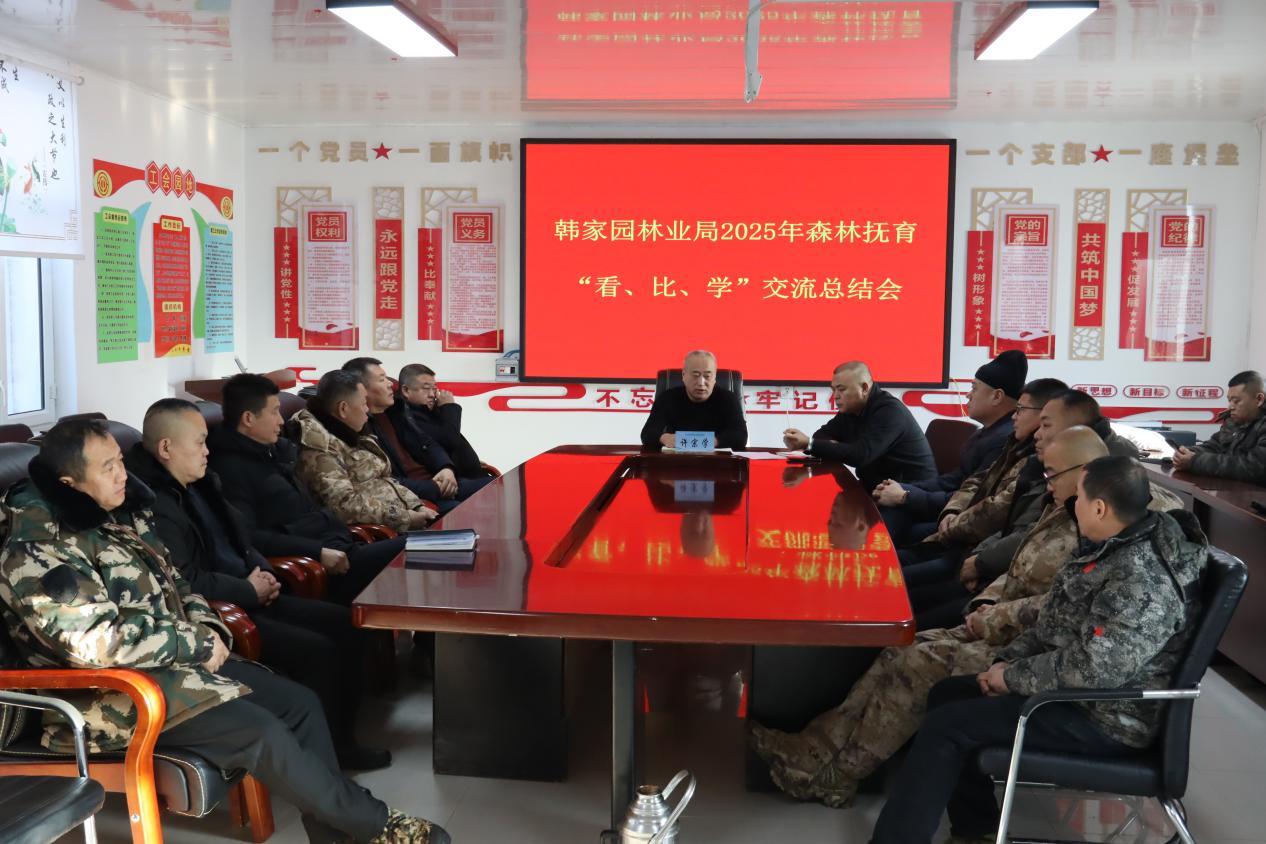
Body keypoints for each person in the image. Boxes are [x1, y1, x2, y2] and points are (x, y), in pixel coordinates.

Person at [0, 418, 448, 844]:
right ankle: (376, 824)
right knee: (259, 730)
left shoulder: (115, 515)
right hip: (107, 697)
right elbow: (94, 642)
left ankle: (335, 834)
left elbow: (178, 584)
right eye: (108, 468)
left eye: (120, 460)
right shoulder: (38, 547)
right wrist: (196, 644)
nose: (123, 475)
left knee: (300, 704)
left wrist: (208, 628)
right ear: (69, 483)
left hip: (172, 669)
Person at [752, 429, 1185, 809]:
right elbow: (1024, 571)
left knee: (917, 664)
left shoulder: (1113, 538)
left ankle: (840, 773)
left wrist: (1003, 644)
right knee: (902, 649)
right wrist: (989, 604)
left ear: (1086, 476)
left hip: (1055, 671)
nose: (1045, 480)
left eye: (1052, 472)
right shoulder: (1073, 511)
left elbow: (1072, 629)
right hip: (1021, 634)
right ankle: (816, 748)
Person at [868, 456, 1207, 843]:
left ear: (1099, 508)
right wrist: (1005, 663)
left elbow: (1096, 669)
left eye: (1079, 497)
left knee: (950, 725)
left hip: (1108, 716)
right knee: (947, 694)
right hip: (1077, 694)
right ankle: (976, 828)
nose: (1070, 505)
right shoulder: (1112, 546)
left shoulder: (1142, 576)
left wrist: (1012, 678)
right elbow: (1055, 623)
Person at [126, 399, 390, 770]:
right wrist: (249, 589)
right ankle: (321, 756)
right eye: (199, 442)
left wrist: (263, 571)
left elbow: (242, 538)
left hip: (251, 593)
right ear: (166, 448)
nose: (207, 451)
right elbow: (185, 581)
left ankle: (342, 739)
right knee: (318, 651)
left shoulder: (201, 482)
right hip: (222, 614)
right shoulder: (154, 505)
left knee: (349, 625)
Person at [208, 373, 407, 606]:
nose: (281, 421)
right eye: (274, 412)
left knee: (427, 547)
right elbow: (249, 536)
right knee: (417, 548)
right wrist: (318, 551)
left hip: (340, 544)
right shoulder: (230, 470)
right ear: (249, 418)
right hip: (319, 566)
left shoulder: (274, 452)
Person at [874, 351, 1026, 546]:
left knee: (894, 525)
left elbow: (973, 498)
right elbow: (955, 480)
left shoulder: (1003, 441)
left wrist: (906, 497)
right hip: (945, 506)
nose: (968, 395)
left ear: (997, 396)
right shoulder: (987, 432)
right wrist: (902, 488)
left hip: (961, 523)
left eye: (974, 388)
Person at [290, 370, 438, 534]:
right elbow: (344, 506)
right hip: (378, 533)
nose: (367, 410)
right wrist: (405, 518)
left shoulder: (349, 430)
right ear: (343, 408)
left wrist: (416, 505)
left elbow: (384, 480)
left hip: (397, 518)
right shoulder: (319, 446)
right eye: (363, 404)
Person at [344, 358, 491, 514]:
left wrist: (446, 467)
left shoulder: (397, 411)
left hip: (437, 481)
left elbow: (427, 442)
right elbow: (385, 481)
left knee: (496, 487)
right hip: (415, 494)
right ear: (361, 389)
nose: (390, 384)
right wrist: (433, 487)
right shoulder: (360, 427)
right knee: (467, 508)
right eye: (382, 379)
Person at [783, 361, 936, 492]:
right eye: (833, 390)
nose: (835, 396)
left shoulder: (889, 411)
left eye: (841, 389)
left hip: (911, 493)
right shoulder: (851, 410)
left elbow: (860, 455)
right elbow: (821, 435)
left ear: (864, 388)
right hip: (876, 488)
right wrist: (834, 447)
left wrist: (809, 444)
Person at [398, 363, 491, 480]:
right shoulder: (410, 418)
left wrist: (469, 460)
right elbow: (449, 441)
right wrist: (449, 407)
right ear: (406, 390)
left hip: (468, 475)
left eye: (434, 388)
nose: (432, 394)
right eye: (426, 388)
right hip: (453, 481)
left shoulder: (428, 411)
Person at [640, 350, 748, 451]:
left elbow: (740, 436)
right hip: (677, 460)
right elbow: (647, 433)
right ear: (684, 376)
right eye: (695, 376)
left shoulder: (728, 399)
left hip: (718, 460)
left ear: (715, 378)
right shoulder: (668, 397)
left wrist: (710, 442)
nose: (701, 382)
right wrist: (664, 438)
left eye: (707, 376)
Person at [1171, 369, 1266, 483]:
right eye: (1229, 400)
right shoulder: (1234, 422)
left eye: (1236, 401)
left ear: (1259, 399)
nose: (1230, 407)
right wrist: (1186, 453)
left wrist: (1194, 461)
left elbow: (1254, 467)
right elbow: (1214, 446)